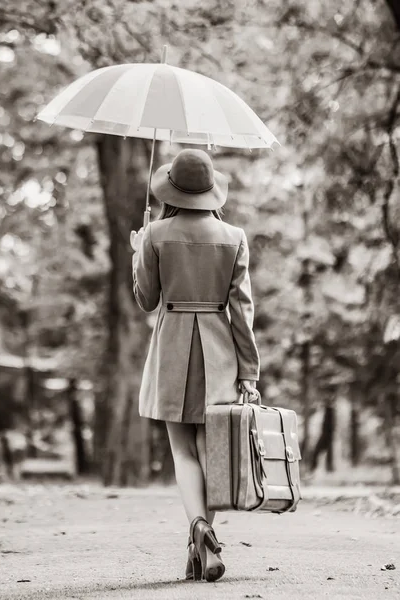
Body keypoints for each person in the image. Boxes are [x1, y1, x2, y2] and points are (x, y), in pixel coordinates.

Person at [131, 148, 260, 583]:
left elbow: (146, 300)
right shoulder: (234, 237)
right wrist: (248, 372)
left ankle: (198, 530)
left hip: (171, 349)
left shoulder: (153, 234)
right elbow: (243, 311)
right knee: (211, 454)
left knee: (183, 452)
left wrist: (138, 252)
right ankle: (200, 545)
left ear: (171, 189)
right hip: (220, 353)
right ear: (210, 190)